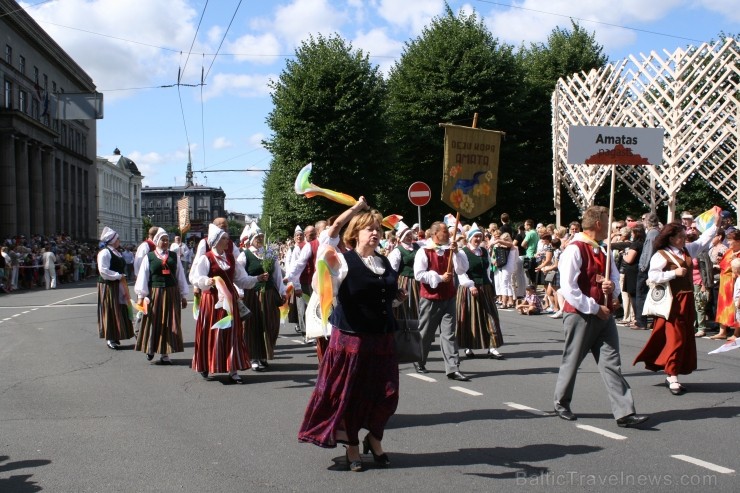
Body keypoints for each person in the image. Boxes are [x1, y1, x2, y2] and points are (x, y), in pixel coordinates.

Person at [298, 200, 402, 472]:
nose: (376, 233)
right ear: (355, 233)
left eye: (378, 228)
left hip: (382, 338)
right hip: (352, 339)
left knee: (387, 394)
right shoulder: (341, 261)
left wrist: (395, 298)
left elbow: (387, 296)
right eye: (369, 229)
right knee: (351, 396)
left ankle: (374, 437)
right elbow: (328, 245)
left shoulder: (384, 261)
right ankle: (353, 446)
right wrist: (355, 210)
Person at [552, 205, 649, 428]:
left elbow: (614, 276)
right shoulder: (575, 249)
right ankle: (561, 402)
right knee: (573, 360)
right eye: (607, 220)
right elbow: (568, 288)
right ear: (598, 223)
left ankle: (625, 412)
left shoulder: (602, 249)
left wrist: (611, 289)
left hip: (604, 315)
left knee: (611, 362)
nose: (610, 225)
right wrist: (595, 307)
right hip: (581, 315)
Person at [633, 217, 717, 394]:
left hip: (686, 301)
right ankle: (672, 375)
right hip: (671, 302)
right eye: (680, 236)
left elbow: (703, 241)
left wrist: (716, 224)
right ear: (671, 238)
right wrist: (674, 273)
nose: (684, 239)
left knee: (684, 338)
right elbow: (653, 276)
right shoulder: (661, 255)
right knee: (676, 338)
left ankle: (673, 371)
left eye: (684, 236)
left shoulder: (686, 250)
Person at [190, 224, 255, 383]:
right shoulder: (206, 258)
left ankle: (232, 369)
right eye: (225, 238)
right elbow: (196, 277)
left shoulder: (231, 257)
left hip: (230, 301)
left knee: (232, 334)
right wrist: (206, 280)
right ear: (217, 241)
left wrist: (256, 279)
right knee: (211, 332)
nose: (228, 241)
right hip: (213, 301)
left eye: (227, 238)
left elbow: (241, 279)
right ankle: (206, 364)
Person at [413, 220, 470, 380]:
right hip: (430, 298)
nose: (448, 234)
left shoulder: (450, 250)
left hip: (449, 297)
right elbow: (419, 275)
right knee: (426, 333)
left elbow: (462, 269)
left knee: (449, 334)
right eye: (445, 231)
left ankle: (453, 368)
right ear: (435, 234)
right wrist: (438, 277)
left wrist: (458, 252)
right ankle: (419, 359)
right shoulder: (424, 251)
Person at [134, 228, 189, 365]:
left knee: (170, 323)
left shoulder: (174, 256)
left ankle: (165, 353)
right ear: (157, 241)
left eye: (166, 240)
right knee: (153, 321)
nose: (165, 242)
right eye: (162, 240)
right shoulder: (150, 257)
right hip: (155, 293)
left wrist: (183, 295)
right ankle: (151, 348)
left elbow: (180, 276)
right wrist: (141, 296)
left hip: (171, 292)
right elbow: (143, 276)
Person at [237, 223, 286, 371]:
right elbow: (239, 276)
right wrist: (240, 292)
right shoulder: (244, 255)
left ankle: (264, 355)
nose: (260, 239)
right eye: (257, 238)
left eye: (261, 237)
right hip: (253, 294)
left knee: (271, 324)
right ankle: (253, 356)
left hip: (269, 294)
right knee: (254, 325)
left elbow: (277, 274)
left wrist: (282, 291)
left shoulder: (269, 253)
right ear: (251, 239)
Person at [457, 224, 505, 359]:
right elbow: (460, 272)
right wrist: (470, 285)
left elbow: (488, 269)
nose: (478, 239)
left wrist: (489, 284)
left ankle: (492, 347)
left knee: (491, 316)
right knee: (470, 317)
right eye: (475, 237)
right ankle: (468, 346)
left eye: (480, 236)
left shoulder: (484, 251)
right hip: (469, 288)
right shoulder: (462, 252)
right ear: (470, 238)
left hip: (485, 287)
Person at [96, 227, 135, 350]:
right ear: (112, 240)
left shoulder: (116, 252)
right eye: (117, 238)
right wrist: (117, 276)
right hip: (109, 285)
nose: (119, 240)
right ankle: (110, 337)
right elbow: (103, 271)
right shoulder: (105, 252)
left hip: (117, 283)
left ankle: (116, 334)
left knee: (119, 308)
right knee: (110, 309)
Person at [387, 221, 421, 319]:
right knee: (405, 307)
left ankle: (415, 329)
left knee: (417, 306)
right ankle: (403, 329)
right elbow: (392, 270)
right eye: (407, 235)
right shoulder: (397, 251)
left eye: (410, 234)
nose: (410, 236)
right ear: (402, 237)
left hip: (417, 281)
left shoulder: (417, 246)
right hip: (405, 281)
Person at [633, 213, 661, 330]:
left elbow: (648, 251)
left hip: (646, 268)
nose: (643, 221)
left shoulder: (652, 234)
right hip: (649, 267)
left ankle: (641, 321)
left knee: (641, 294)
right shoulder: (655, 233)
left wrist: (643, 266)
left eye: (644, 220)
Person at [712, 229, 740, 341]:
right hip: (725, 283)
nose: (728, 243)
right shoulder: (729, 251)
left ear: (738, 241)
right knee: (723, 306)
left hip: (735, 282)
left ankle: (736, 333)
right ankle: (722, 331)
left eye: (730, 240)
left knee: (736, 306)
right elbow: (724, 265)